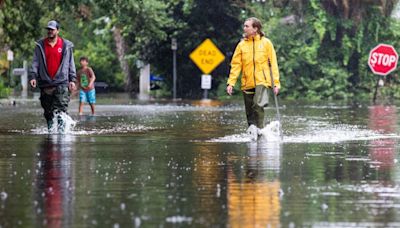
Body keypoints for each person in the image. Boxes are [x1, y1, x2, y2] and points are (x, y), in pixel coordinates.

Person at [226, 17, 281, 129]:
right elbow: (236, 65)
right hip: (247, 81)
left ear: (255, 28)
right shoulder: (241, 45)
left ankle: (260, 129)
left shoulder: (266, 43)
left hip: (262, 81)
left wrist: (276, 83)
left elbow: (273, 64)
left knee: (257, 104)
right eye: (244, 26)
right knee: (249, 111)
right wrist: (231, 83)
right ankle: (252, 131)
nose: (244, 28)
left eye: (247, 26)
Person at [29, 20, 76, 133]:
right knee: (48, 112)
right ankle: (50, 132)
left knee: (61, 110)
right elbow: (35, 62)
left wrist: (72, 79)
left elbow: (71, 63)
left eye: (52, 29)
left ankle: (61, 134)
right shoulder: (40, 45)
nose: (50, 31)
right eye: (48, 29)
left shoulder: (66, 45)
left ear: (57, 31)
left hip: (61, 82)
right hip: (45, 82)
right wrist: (33, 76)